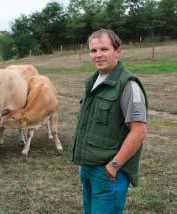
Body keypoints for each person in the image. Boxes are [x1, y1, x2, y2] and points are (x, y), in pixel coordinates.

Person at [72, 29, 148, 213]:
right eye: (93, 50)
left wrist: (112, 167)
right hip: (89, 169)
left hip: (109, 173)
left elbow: (139, 132)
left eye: (104, 49)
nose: (98, 55)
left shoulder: (128, 85)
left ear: (117, 51)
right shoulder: (93, 82)